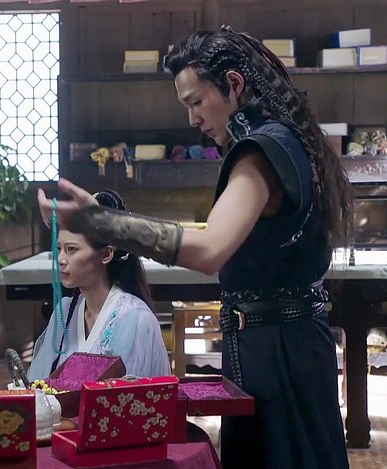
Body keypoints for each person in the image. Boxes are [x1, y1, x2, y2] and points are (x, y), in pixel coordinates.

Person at [38, 27, 353, 469]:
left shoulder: (262, 152)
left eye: (197, 102)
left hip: (280, 350)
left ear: (234, 84)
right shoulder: (280, 140)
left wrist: (101, 223)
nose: (192, 119)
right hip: (277, 341)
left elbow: (209, 251)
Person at [27, 189, 171, 381]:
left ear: (106, 254)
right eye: (59, 248)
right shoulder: (65, 311)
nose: (61, 259)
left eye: (71, 249)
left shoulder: (134, 318)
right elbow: (41, 383)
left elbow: (132, 394)